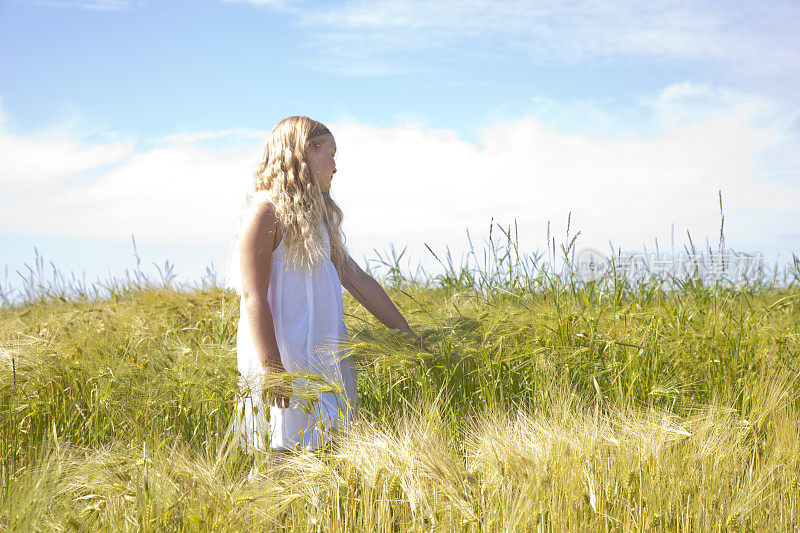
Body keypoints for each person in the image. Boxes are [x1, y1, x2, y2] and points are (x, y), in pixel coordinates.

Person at [232, 116, 424, 454]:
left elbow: (354, 278)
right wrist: (272, 368)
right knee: (283, 454)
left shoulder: (314, 216)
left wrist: (404, 332)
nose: (335, 166)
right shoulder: (264, 213)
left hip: (321, 353)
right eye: (330, 154)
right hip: (284, 357)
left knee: (327, 448)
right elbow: (253, 296)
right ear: (306, 152)